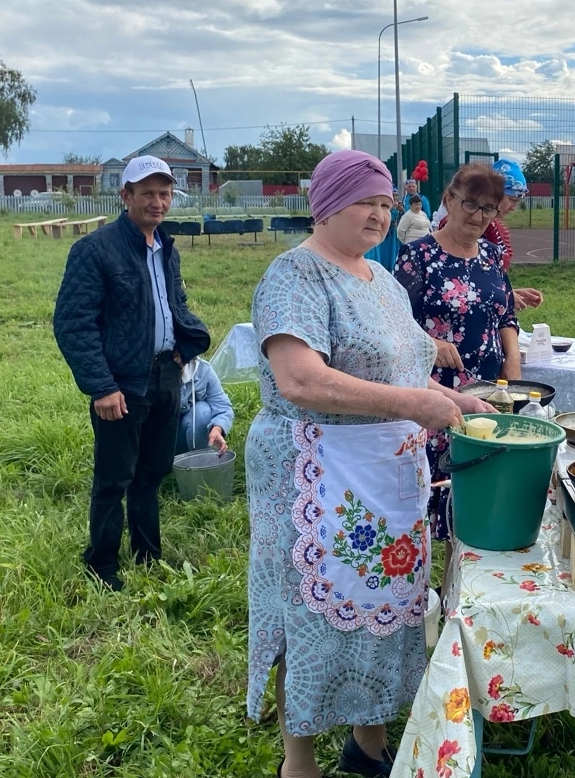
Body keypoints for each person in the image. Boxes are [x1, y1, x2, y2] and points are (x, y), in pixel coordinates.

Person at [244, 149, 492, 778]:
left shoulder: (380, 280)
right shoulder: (294, 276)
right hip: (315, 475)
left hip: (383, 480)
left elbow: (407, 365)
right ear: (326, 203)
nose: (381, 215)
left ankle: (369, 744)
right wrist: (413, 402)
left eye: (387, 204)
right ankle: (298, 761)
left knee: (385, 605)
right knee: (306, 609)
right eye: (366, 201)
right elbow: (300, 379)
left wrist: (447, 398)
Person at [54, 154, 211, 592]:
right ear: (126, 196)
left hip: (164, 376)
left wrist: (184, 349)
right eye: (147, 194)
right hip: (121, 383)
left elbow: (172, 305)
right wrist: (101, 386)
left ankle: (148, 554)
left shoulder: (165, 247)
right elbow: (73, 322)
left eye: (164, 194)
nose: (157, 202)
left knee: (153, 472)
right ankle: (102, 564)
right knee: (113, 479)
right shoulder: (95, 250)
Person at [394, 163, 521, 539]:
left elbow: (506, 314)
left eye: (489, 208)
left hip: (490, 388)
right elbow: (393, 325)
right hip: (436, 390)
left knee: (481, 487)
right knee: (439, 489)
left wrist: (512, 364)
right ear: (449, 199)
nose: (478, 216)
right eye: (470, 204)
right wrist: (430, 343)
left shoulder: (492, 256)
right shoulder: (417, 256)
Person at [435, 159, 543, 310]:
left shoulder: (492, 234)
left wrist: (507, 294)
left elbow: (479, 285)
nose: (513, 208)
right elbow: (454, 288)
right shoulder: (468, 230)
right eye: (512, 199)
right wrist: (505, 297)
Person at [175, 356, 235, 453]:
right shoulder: (151, 368)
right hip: (155, 436)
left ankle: (197, 460)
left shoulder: (203, 369)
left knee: (203, 411)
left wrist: (217, 428)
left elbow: (223, 406)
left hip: (182, 433)